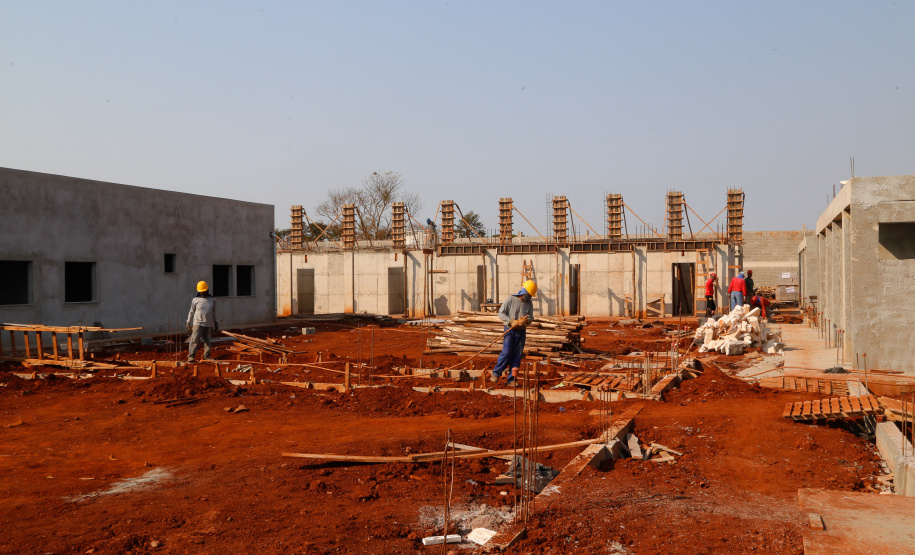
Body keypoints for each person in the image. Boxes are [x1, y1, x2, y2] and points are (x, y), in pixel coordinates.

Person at [491, 280, 537, 385]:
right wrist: (511, 321)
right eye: (529, 295)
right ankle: (496, 373)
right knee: (507, 352)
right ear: (524, 292)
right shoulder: (511, 299)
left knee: (517, 354)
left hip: (521, 331)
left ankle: (511, 379)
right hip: (509, 330)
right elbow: (501, 313)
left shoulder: (529, 303)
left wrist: (526, 321)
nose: (530, 297)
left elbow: (531, 317)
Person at [187, 281, 218, 362]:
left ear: (207, 290)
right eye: (201, 291)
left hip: (209, 323)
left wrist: (216, 322)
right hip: (198, 323)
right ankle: (191, 357)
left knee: (208, 340)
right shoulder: (195, 300)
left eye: (203, 291)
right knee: (194, 340)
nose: (202, 293)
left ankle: (207, 356)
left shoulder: (212, 300)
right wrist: (188, 321)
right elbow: (191, 311)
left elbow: (214, 312)